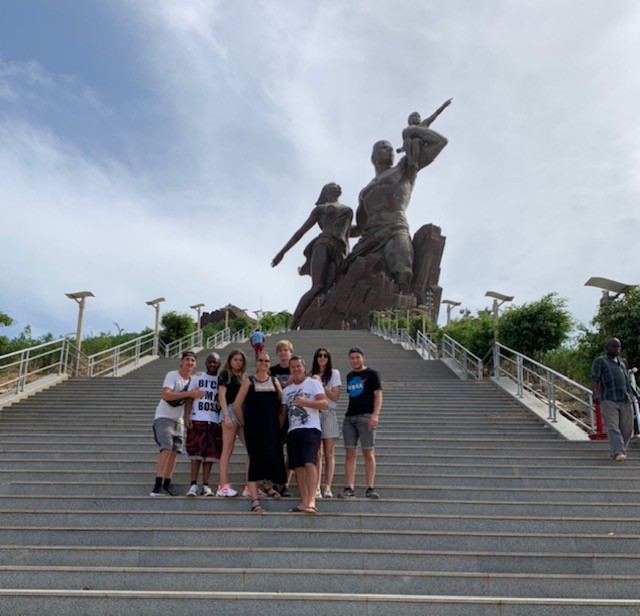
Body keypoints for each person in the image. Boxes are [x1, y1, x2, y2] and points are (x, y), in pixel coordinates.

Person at [344, 117, 449, 294]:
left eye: (392, 149)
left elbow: (440, 142)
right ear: (373, 157)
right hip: (369, 235)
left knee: (404, 272)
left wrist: (412, 131)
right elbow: (359, 228)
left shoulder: (406, 167)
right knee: (346, 271)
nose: (390, 151)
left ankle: (399, 315)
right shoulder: (364, 192)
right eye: (384, 148)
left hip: (395, 227)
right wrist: (335, 232)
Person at [271, 182, 353, 326]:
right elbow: (301, 232)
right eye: (332, 185)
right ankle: (293, 323)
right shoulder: (320, 209)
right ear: (326, 192)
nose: (337, 185)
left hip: (341, 250)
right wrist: (282, 253)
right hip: (324, 243)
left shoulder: (348, 210)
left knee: (329, 289)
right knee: (317, 287)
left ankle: (319, 322)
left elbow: (348, 232)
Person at [233, 352, 287, 513]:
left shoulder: (274, 381)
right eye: (261, 360)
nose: (263, 363)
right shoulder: (248, 381)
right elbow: (236, 406)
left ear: (269, 363)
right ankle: (255, 501)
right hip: (254, 430)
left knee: (271, 457)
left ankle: (268, 487)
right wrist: (245, 423)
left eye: (266, 360)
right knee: (255, 462)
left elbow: (282, 403)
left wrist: (279, 424)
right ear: (256, 363)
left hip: (271, 429)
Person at [150, 351, 205, 496]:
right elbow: (165, 394)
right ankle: (157, 486)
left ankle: (167, 484)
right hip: (164, 416)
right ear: (181, 361)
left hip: (179, 420)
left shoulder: (193, 379)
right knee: (166, 449)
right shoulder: (172, 375)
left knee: (174, 453)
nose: (190, 362)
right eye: (187, 359)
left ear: (195, 364)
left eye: (193, 360)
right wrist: (188, 393)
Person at [281, 356, 328, 513]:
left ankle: (312, 500)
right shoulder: (286, 390)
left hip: (311, 428)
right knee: (298, 467)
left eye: (298, 366)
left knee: (309, 462)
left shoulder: (313, 383)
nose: (295, 369)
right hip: (293, 431)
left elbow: (324, 403)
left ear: (304, 368)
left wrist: (306, 403)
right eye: (292, 367)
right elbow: (282, 414)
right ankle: (303, 501)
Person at [338, 347, 382, 499]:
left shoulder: (372, 374)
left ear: (363, 357)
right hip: (350, 417)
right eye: (352, 358)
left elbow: (378, 395)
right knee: (350, 453)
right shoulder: (350, 375)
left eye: (357, 357)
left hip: (366, 417)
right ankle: (349, 487)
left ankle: (370, 487)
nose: (355, 360)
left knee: (368, 452)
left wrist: (375, 415)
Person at [183, 352, 223, 496]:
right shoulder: (197, 377)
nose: (212, 364)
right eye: (210, 362)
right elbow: (189, 397)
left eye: (215, 362)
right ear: (206, 363)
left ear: (219, 364)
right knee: (196, 455)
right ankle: (193, 485)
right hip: (197, 418)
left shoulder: (221, 380)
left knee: (210, 456)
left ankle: (205, 485)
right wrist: (186, 416)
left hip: (214, 421)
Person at [591, 338, 635, 461]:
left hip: (625, 398)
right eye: (614, 347)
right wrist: (595, 394)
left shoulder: (621, 362)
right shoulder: (600, 361)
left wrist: (634, 394)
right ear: (607, 348)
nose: (617, 349)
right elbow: (595, 378)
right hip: (609, 399)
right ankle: (617, 452)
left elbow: (626, 380)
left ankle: (621, 450)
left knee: (627, 429)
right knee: (613, 427)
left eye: (619, 347)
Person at [216, 349, 248, 497]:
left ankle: (250, 486)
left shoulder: (242, 377)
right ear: (230, 361)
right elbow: (221, 395)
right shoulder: (225, 374)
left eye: (240, 360)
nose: (238, 362)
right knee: (227, 449)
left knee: (251, 448)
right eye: (235, 359)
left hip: (241, 412)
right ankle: (222, 486)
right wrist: (227, 416)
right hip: (229, 410)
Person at [311, 347, 341, 499]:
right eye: (319, 355)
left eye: (325, 356)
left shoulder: (334, 374)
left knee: (329, 453)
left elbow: (335, 397)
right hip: (315, 414)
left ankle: (327, 486)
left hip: (329, 413)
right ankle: (316, 486)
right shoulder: (311, 375)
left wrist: (321, 385)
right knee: (317, 453)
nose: (322, 358)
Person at [396, 99, 452, 169]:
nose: (417, 118)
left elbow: (435, 114)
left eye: (418, 116)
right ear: (409, 120)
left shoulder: (424, 124)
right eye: (414, 116)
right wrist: (401, 149)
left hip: (419, 143)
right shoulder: (407, 130)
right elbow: (406, 145)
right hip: (410, 147)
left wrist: (443, 106)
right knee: (408, 140)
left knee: (416, 141)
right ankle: (411, 161)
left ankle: (414, 162)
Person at [270, 339, 294, 497]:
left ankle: (285, 483)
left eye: (286, 350)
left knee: (291, 451)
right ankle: (274, 481)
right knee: (276, 450)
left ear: (290, 352)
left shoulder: (296, 369)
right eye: (280, 350)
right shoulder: (272, 370)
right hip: (276, 413)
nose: (283, 353)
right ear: (277, 353)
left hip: (294, 416)